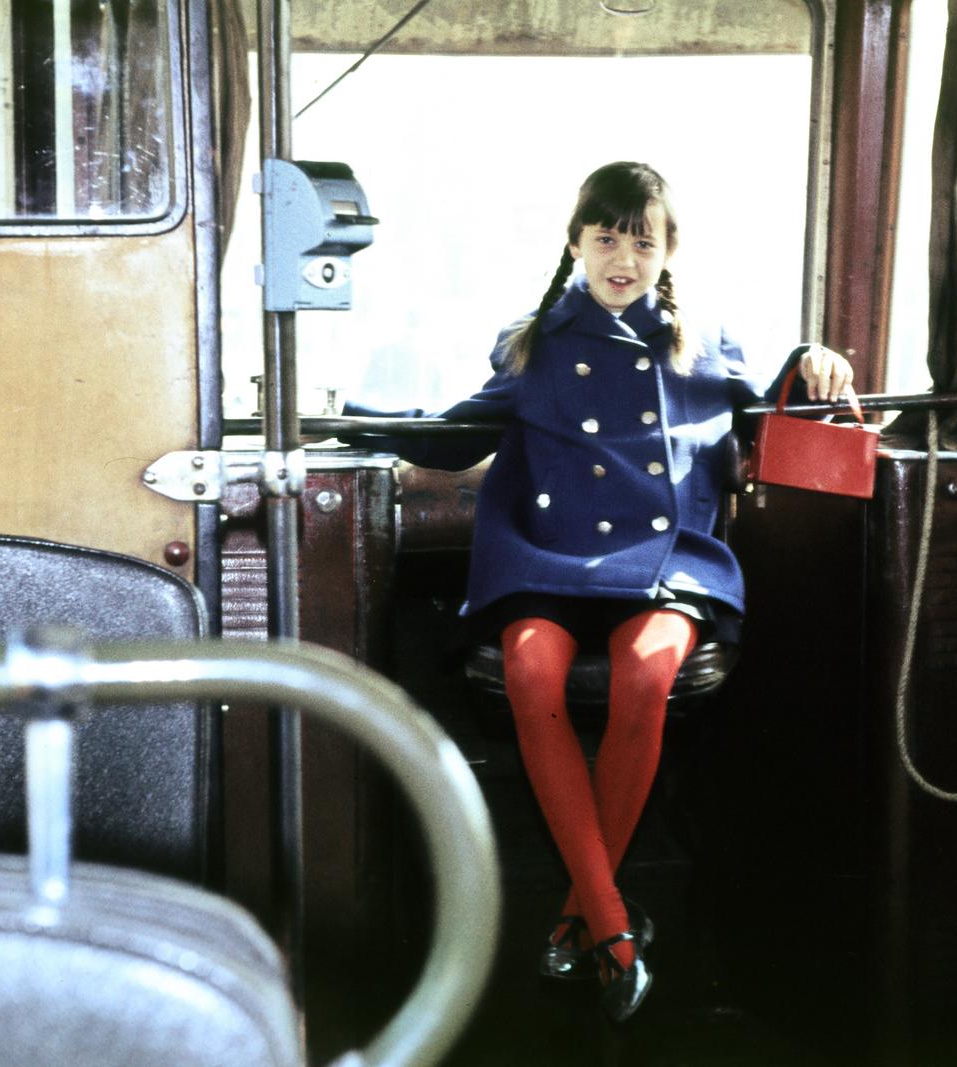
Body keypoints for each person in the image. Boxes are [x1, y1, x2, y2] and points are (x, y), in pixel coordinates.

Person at [345, 161, 852, 1022]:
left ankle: (585, 919)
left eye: (642, 242)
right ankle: (612, 923)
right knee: (530, 671)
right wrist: (354, 424)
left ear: (668, 252)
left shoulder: (704, 341)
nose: (623, 258)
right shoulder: (534, 342)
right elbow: (455, 435)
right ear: (575, 243)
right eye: (606, 237)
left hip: (664, 562)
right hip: (548, 558)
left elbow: (771, 415)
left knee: (646, 674)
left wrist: (812, 363)